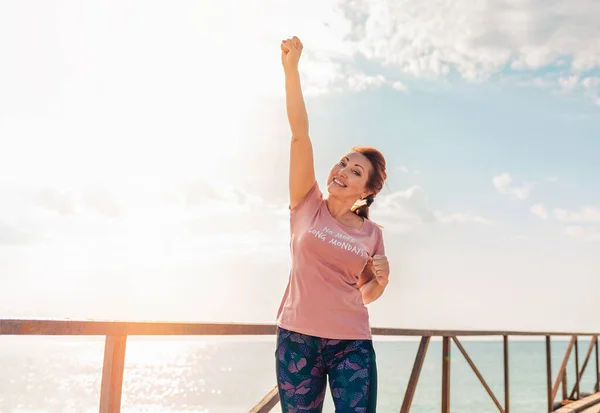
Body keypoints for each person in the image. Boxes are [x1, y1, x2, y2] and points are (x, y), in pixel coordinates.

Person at [275, 35, 391, 413]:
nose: (342, 170)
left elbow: (365, 294)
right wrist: (292, 71)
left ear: (365, 191)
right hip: (297, 338)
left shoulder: (372, 235)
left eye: (355, 171)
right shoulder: (306, 203)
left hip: (351, 343)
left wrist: (382, 280)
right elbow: (299, 136)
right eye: (343, 162)